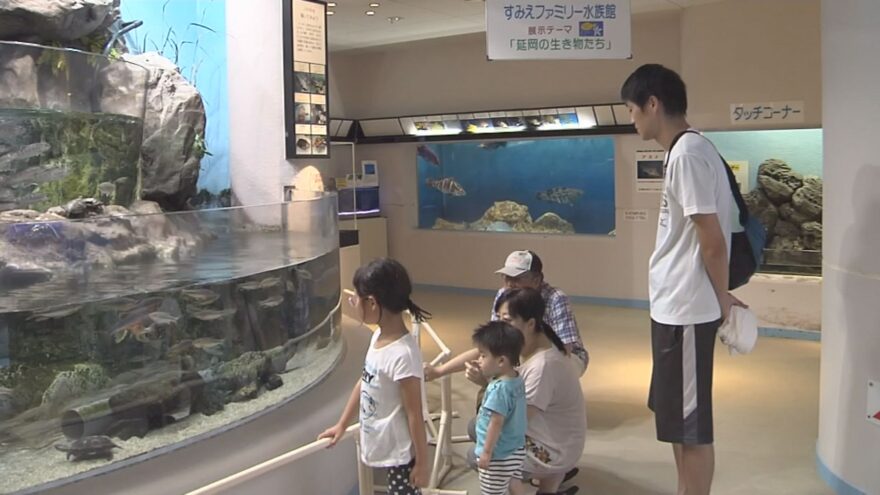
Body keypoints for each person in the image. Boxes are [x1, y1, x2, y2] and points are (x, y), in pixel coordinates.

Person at [621, 64, 745, 495]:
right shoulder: (683, 151)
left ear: (653, 104)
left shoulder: (689, 154)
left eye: (633, 110)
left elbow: (712, 240)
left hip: (689, 309)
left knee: (691, 427)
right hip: (674, 308)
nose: (632, 119)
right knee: (676, 421)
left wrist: (722, 298)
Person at [319, 258, 431, 495]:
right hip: (383, 444)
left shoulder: (403, 355)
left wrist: (422, 463)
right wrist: (342, 423)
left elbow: (415, 414)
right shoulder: (378, 337)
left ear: (371, 303)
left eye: (355, 299)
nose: (353, 303)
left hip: (400, 456)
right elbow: (365, 381)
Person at [424, 250, 587, 382]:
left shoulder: (556, 298)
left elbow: (564, 349)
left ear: (537, 279)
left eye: (517, 278)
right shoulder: (505, 295)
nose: (510, 283)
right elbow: (492, 344)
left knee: (533, 373)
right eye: (506, 277)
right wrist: (439, 371)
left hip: (562, 357)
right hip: (524, 352)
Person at [488, 288, 587, 495]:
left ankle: (543, 479)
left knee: (484, 449)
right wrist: (440, 370)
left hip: (556, 450)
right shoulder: (538, 343)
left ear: (530, 323)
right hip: (561, 439)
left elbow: (514, 421)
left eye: (506, 321)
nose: (500, 328)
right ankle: (548, 489)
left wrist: (486, 385)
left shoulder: (542, 365)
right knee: (479, 427)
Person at [471, 321, 528, 495]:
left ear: (501, 360)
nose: (478, 360)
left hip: (498, 455)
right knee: (514, 482)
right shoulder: (516, 379)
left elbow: (496, 422)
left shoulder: (498, 390)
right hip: (516, 449)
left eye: (483, 355)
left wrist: (487, 452)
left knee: (492, 491)